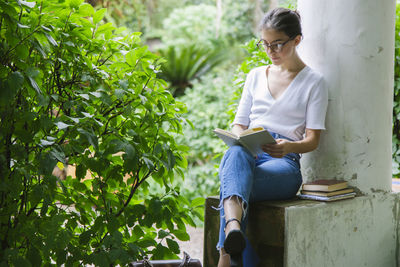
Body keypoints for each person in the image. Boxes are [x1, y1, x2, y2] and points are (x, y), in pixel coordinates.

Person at [216, 7, 328, 267]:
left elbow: (313, 140)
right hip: (249, 151)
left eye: (277, 44)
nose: (270, 51)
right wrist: (240, 138)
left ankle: (227, 248)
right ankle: (232, 233)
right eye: (265, 45)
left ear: (297, 40)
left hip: (284, 163)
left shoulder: (314, 82)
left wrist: (289, 145)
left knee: (229, 182)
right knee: (234, 153)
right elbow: (238, 124)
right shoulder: (255, 76)